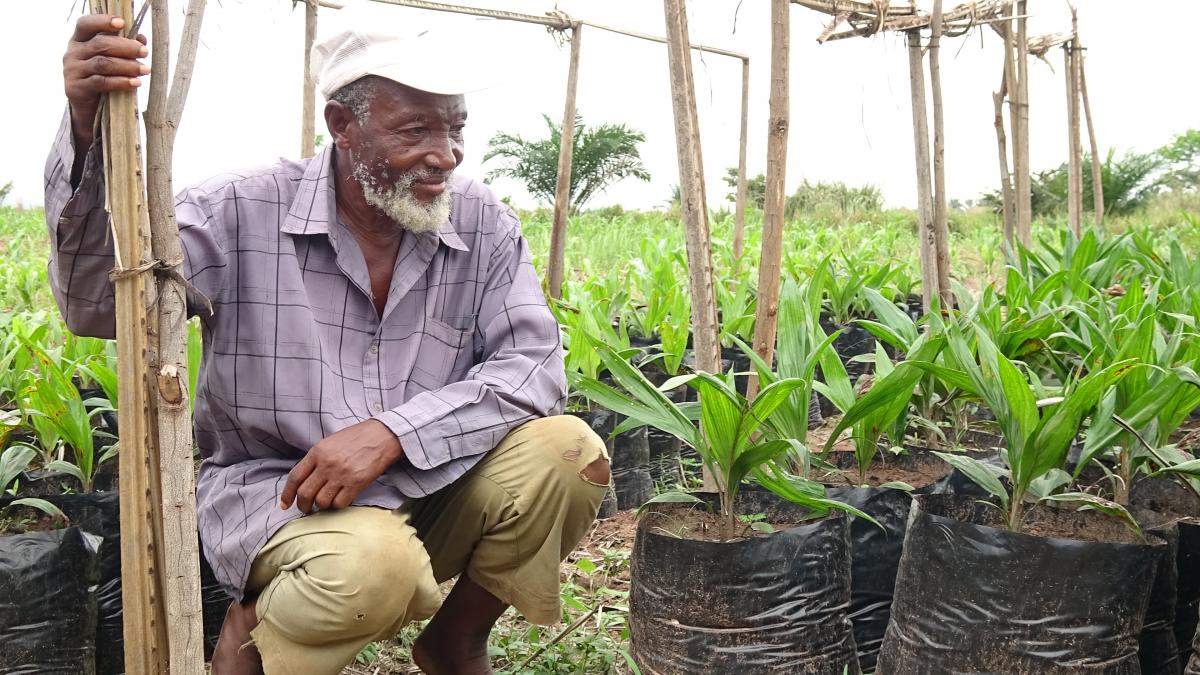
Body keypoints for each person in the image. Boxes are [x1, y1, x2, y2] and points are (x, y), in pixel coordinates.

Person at [50, 15, 610, 675]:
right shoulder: (238, 208)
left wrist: (393, 433)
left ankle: (455, 641)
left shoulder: (482, 221)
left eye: (454, 129)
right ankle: (250, 635)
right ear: (342, 125)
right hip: (282, 494)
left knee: (572, 452)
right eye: (415, 131)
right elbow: (95, 303)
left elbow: (535, 367)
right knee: (376, 565)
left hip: (429, 477)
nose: (446, 154)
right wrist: (86, 127)